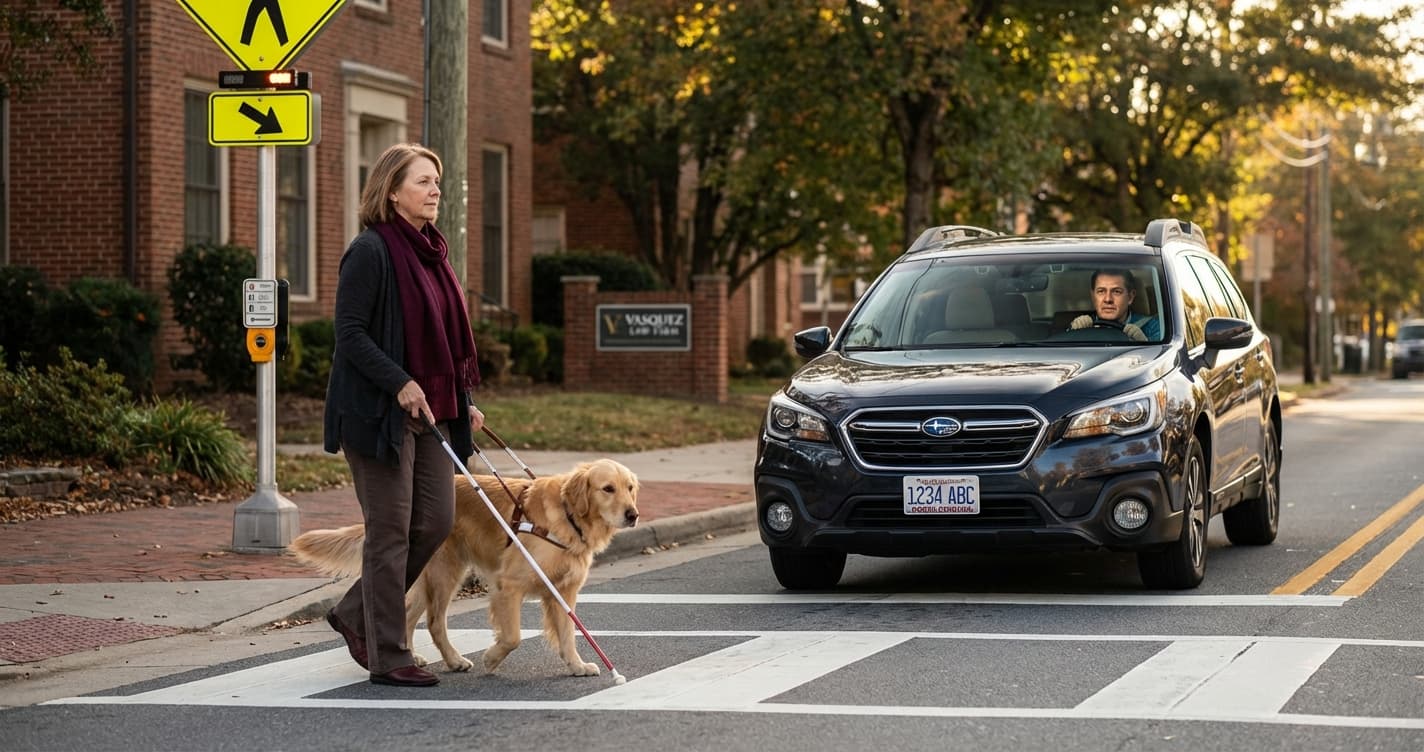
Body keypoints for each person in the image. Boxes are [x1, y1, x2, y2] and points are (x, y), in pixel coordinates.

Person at [322, 142, 485, 687]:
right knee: (390, 531)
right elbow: (350, 334)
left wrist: (461, 399)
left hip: (433, 412)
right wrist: (399, 381)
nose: (435, 190)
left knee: (435, 521)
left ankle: (354, 612)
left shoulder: (435, 253)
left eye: (437, 181)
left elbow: (442, 344)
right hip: (376, 415)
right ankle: (389, 654)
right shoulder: (370, 251)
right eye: (423, 181)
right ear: (392, 192)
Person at [1069, 268, 1160, 342]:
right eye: (1101, 291)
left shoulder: (1154, 327)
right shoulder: (1081, 326)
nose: (1108, 299)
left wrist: (1144, 343)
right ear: (1093, 296)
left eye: (1116, 292)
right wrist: (1074, 333)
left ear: (1130, 297)